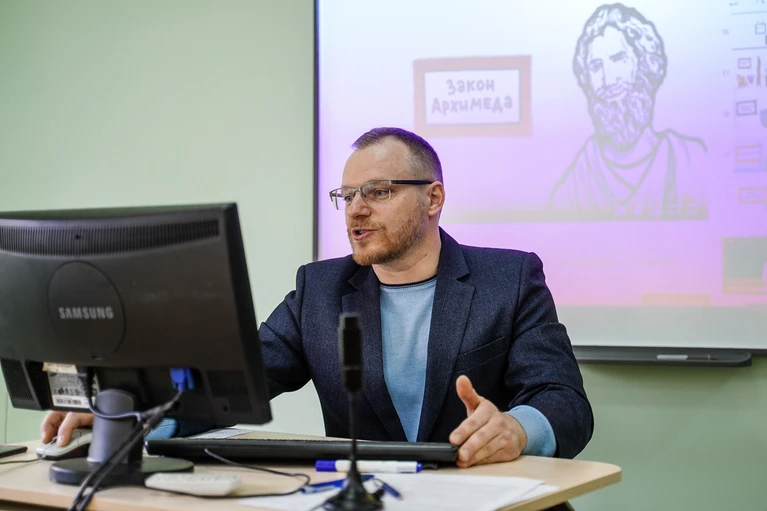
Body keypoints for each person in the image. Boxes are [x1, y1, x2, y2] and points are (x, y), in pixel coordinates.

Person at [41, 127, 593, 467]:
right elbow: (233, 384)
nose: (356, 210)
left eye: (377, 192)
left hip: (483, 496)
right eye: (346, 196)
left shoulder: (508, 279)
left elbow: (564, 400)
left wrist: (516, 429)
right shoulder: (320, 290)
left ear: (433, 198)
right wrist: (127, 415)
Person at [548, 3, 707, 221]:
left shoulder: (691, 159)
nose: (608, 79)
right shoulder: (575, 184)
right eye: (595, 67)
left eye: (618, 59)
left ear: (643, 64)